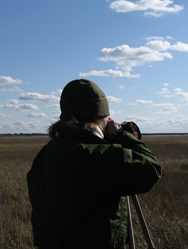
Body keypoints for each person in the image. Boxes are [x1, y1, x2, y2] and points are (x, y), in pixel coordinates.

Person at [27, 79, 162, 249]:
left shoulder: (46, 153)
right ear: (97, 120)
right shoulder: (92, 155)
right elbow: (150, 169)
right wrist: (120, 136)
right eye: (106, 118)